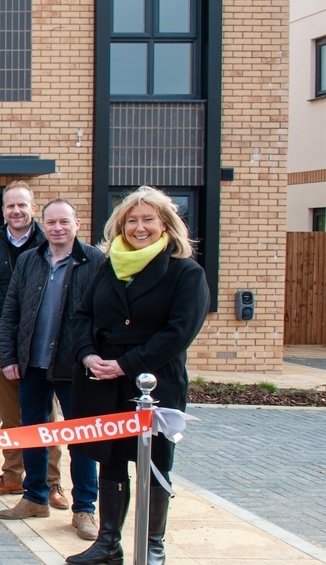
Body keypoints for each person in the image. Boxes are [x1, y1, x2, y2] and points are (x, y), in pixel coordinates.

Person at [66, 186, 207, 565]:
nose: (139, 227)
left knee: (155, 461)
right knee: (109, 459)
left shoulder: (185, 272)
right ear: (121, 225)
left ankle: (153, 546)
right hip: (102, 379)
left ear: (165, 225)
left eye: (148, 219)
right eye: (132, 220)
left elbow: (179, 333)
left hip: (154, 379)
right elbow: (82, 316)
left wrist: (127, 364)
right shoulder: (105, 266)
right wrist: (86, 354)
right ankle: (108, 543)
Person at [0, 199, 103, 541]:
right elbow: (11, 310)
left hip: (75, 368)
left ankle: (85, 508)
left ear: (77, 224)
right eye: (51, 222)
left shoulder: (95, 262)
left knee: (82, 441)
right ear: (44, 224)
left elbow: (103, 315)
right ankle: (35, 497)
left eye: (64, 222)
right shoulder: (30, 260)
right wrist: (10, 356)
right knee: (33, 433)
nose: (57, 228)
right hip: (32, 365)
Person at [0, 181, 66, 502]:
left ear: (32, 207)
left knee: (44, 414)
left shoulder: (50, 243)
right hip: (1, 342)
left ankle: (52, 482)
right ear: (3, 209)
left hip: (42, 343)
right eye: (10, 205)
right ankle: (12, 475)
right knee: (10, 413)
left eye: (22, 205)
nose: (16, 211)